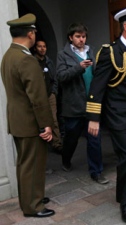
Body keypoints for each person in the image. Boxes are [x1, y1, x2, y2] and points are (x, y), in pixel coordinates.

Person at [86, 5, 126, 224]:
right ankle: (125, 203)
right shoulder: (110, 52)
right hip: (117, 116)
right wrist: (94, 118)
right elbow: (97, 86)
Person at [1, 13, 55, 217]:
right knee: (32, 165)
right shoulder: (26, 59)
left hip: (17, 120)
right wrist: (46, 125)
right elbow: (38, 98)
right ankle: (33, 206)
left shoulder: (8, 56)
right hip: (30, 122)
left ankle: (31, 198)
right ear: (31, 34)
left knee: (24, 164)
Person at [56, 22, 108, 184]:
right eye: (78, 36)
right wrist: (79, 67)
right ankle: (66, 159)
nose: (81, 39)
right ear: (71, 38)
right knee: (71, 138)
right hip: (73, 106)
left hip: (91, 104)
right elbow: (61, 77)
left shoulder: (91, 52)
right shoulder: (62, 55)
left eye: (83, 36)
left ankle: (96, 171)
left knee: (94, 138)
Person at [34, 40, 63, 154]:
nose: (42, 48)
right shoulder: (32, 61)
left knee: (54, 119)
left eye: (44, 46)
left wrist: (54, 92)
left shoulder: (49, 62)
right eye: (40, 46)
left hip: (50, 94)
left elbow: (55, 78)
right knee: (39, 120)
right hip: (38, 96)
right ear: (35, 48)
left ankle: (57, 143)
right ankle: (41, 144)